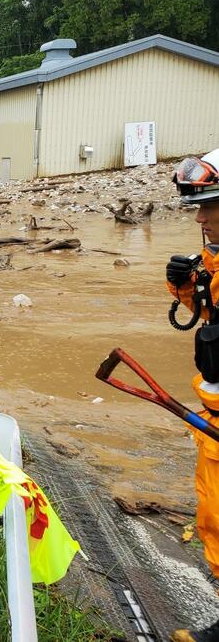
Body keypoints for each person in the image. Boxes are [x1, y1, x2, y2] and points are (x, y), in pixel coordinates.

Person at [167, 148, 219, 642]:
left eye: (211, 205)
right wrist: (183, 286)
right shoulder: (213, 261)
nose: (201, 217)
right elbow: (205, 320)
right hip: (211, 420)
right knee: (212, 515)